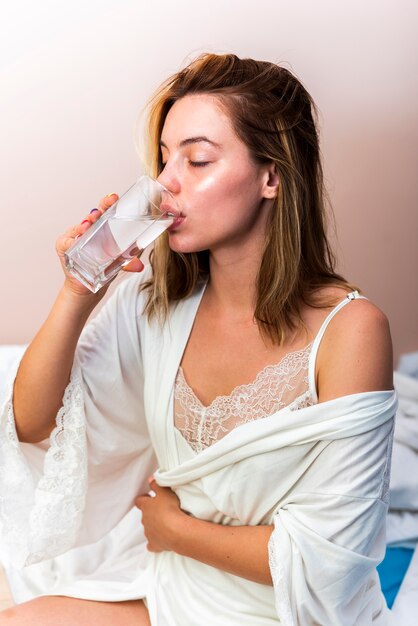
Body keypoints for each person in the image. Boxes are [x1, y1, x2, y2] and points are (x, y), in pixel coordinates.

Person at [0, 53, 396, 625]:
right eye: (164, 160)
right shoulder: (154, 306)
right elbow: (32, 425)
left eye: (198, 158)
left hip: (286, 612)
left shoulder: (352, 331)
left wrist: (176, 531)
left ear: (272, 175)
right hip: (172, 592)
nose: (166, 184)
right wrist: (77, 293)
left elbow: (328, 569)